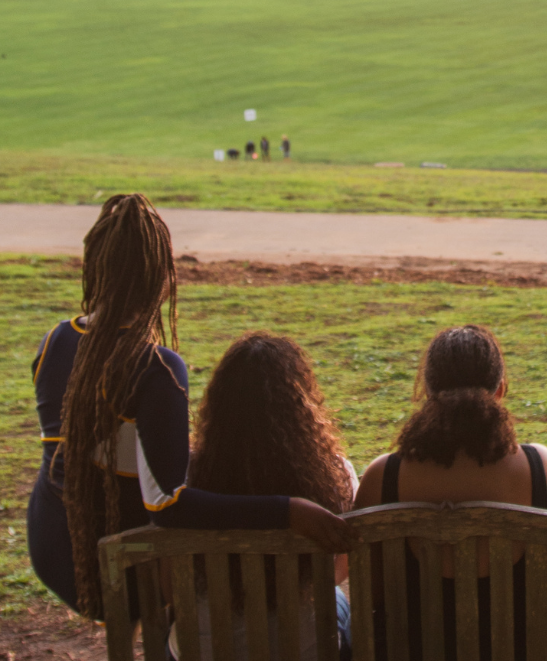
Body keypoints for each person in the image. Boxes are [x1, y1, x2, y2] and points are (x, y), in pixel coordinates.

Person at [25, 194, 353, 620]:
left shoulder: (55, 340)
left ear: (94, 268)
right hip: (112, 564)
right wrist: (289, 510)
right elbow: (167, 504)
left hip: (49, 538)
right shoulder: (155, 367)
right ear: (162, 279)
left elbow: (104, 447)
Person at [354, 325, 547, 661]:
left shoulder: (384, 476)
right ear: (500, 390)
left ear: (427, 391)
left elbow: (371, 591)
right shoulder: (540, 468)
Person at [181, 332, 357, 661]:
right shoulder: (335, 475)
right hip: (308, 659)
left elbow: (170, 583)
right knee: (337, 602)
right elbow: (338, 571)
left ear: (218, 404)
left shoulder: (185, 483)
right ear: (301, 403)